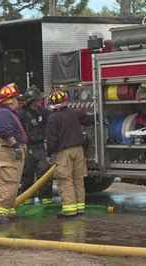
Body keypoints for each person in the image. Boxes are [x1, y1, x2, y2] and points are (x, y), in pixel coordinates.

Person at [45, 88, 93, 218]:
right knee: (78, 179)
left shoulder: (53, 118)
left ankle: (69, 210)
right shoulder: (74, 113)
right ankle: (80, 208)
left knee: (65, 180)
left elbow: (51, 139)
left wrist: (49, 154)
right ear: (65, 100)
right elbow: (88, 120)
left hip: (64, 152)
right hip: (79, 150)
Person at [0, 83, 27, 224]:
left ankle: (9, 209)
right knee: (9, 182)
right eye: (16, 98)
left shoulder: (8, 113)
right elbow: (7, 131)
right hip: (8, 151)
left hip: (10, 152)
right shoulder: (5, 114)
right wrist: (15, 146)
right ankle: (0, 211)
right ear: (12, 100)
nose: (18, 101)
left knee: (13, 182)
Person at [18, 85, 53, 205]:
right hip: (28, 148)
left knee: (45, 175)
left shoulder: (42, 112)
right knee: (27, 176)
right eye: (38, 99)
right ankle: (27, 201)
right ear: (32, 101)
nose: (40, 100)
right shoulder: (21, 115)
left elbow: (54, 117)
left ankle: (46, 200)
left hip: (40, 147)